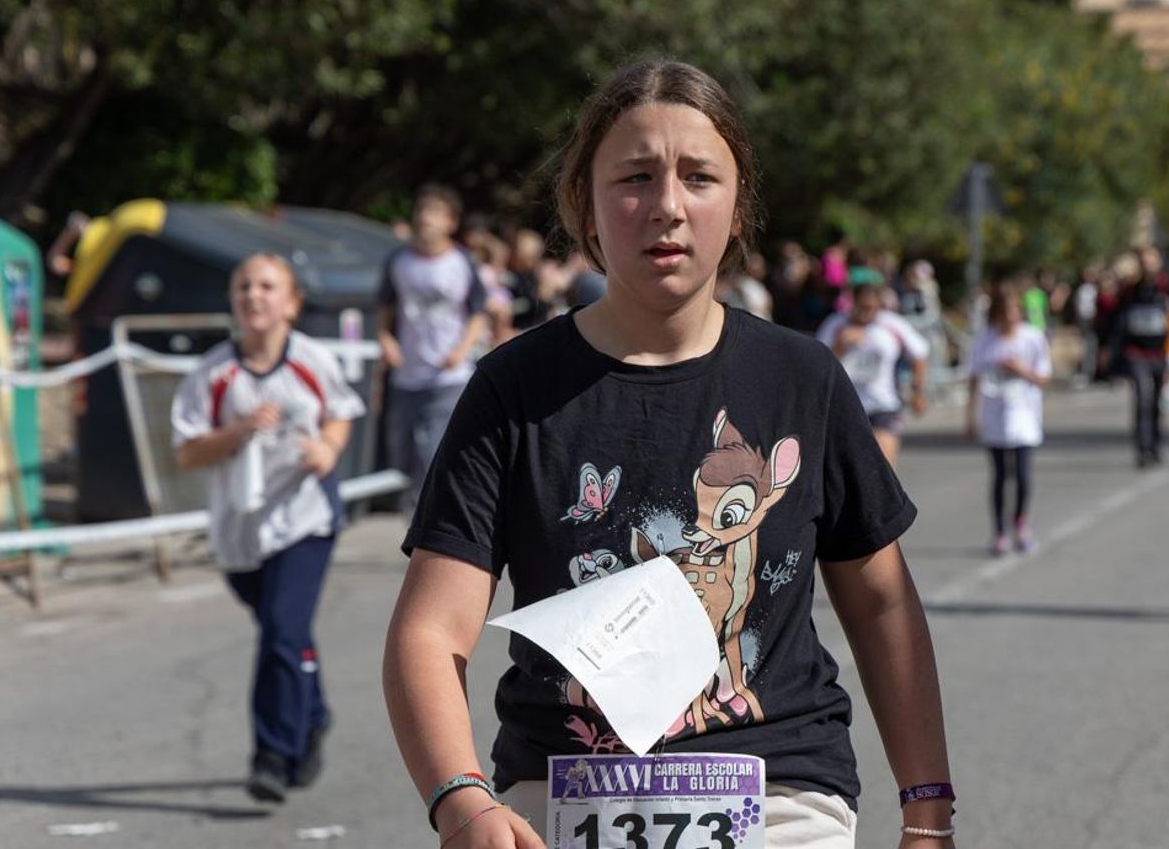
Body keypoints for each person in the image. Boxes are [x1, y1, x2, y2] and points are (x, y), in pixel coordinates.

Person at [382, 59, 955, 849]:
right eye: (636, 178)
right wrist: (463, 801)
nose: (668, 208)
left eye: (699, 177)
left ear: (738, 202)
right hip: (559, 795)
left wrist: (927, 810)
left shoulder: (803, 379)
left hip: (781, 793)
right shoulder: (511, 389)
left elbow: (882, 601)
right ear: (584, 202)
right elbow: (430, 630)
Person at [171, 254, 366, 803]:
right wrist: (236, 431)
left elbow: (341, 410)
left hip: (304, 517)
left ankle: (271, 756)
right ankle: (314, 711)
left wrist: (327, 447)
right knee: (288, 636)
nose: (253, 296)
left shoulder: (310, 361)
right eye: (243, 287)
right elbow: (186, 453)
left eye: (266, 286)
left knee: (282, 631)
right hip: (241, 528)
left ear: (291, 302)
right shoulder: (213, 373)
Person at [376, 184, 490, 509]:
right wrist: (386, 340)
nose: (426, 218)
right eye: (422, 211)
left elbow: (478, 313)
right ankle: (417, 515)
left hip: (448, 376)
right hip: (407, 374)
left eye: (435, 212)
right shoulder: (398, 260)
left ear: (451, 222)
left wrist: (461, 349)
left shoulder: (461, 261)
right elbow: (384, 307)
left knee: (433, 450)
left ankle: (434, 518)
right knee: (403, 453)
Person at [966, 285, 1052, 555]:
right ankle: (999, 531)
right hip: (995, 418)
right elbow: (974, 378)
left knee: (1023, 475)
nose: (1012, 316)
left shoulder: (1032, 338)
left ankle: (1021, 523)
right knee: (1000, 476)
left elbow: (1043, 378)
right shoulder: (985, 341)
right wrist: (970, 417)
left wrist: (1020, 369)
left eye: (1015, 310)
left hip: (1025, 417)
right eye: (1006, 311)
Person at [818, 282, 931, 467]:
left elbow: (919, 354)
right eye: (861, 307)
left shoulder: (891, 324)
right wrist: (840, 345)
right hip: (844, 406)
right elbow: (818, 363)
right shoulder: (836, 324)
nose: (865, 312)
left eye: (870, 308)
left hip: (883, 404)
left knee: (882, 468)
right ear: (852, 303)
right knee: (848, 469)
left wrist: (918, 392)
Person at [1109, 246, 1169, 467]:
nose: (1147, 264)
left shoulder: (1166, 285)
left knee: (1156, 402)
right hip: (1136, 353)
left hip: (1160, 352)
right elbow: (1116, 318)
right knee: (1142, 400)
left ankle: (1155, 444)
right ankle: (1142, 449)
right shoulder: (1130, 289)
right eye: (1143, 260)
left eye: (1151, 260)